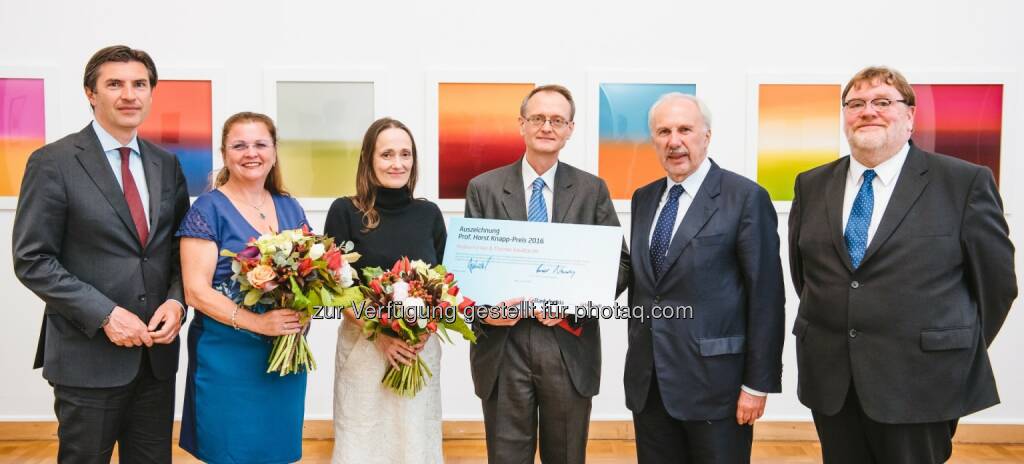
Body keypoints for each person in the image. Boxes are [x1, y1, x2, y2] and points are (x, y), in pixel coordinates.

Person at [789, 66, 1017, 463]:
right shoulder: (811, 184)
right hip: (832, 380)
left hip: (922, 380)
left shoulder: (964, 183)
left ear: (910, 116)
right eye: (856, 103)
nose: (868, 111)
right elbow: (804, 275)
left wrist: (952, 350)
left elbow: (997, 286)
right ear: (844, 115)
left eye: (883, 102)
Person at [11, 45, 190, 463]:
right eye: (115, 84)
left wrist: (177, 301)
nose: (129, 94)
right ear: (91, 94)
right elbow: (33, 259)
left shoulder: (167, 164)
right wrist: (106, 314)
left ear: (150, 93)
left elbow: (179, 248)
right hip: (87, 357)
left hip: (156, 358)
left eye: (139, 84)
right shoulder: (53, 162)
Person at [464, 84, 629, 464]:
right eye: (538, 118)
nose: (547, 126)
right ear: (522, 124)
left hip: (568, 346)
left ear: (570, 129)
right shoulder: (483, 189)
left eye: (557, 120)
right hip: (503, 348)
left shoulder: (592, 190)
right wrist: (485, 310)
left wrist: (572, 304)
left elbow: (621, 266)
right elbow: (466, 273)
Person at [622, 93, 785, 463]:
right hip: (650, 384)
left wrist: (757, 384)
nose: (674, 141)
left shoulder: (745, 198)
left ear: (706, 136)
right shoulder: (644, 198)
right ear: (653, 140)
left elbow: (767, 298)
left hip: (718, 386)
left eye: (685, 129)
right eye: (663, 131)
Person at [177, 112, 311, 463]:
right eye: (240, 145)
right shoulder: (207, 210)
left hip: (284, 358)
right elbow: (195, 292)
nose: (251, 153)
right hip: (227, 359)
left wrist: (304, 311)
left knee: (277, 451)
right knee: (232, 452)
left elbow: (311, 273)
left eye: (260, 144)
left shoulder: (289, 206)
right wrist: (259, 323)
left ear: (274, 151)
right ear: (225, 153)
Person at [324, 117, 447, 464]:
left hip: (418, 350)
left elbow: (444, 285)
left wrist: (426, 329)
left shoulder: (429, 213)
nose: (398, 163)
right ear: (369, 160)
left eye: (405, 154)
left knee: (416, 441)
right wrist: (380, 336)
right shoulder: (345, 210)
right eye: (387, 154)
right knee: (362, 441)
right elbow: (337, 288)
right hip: (364, 349)